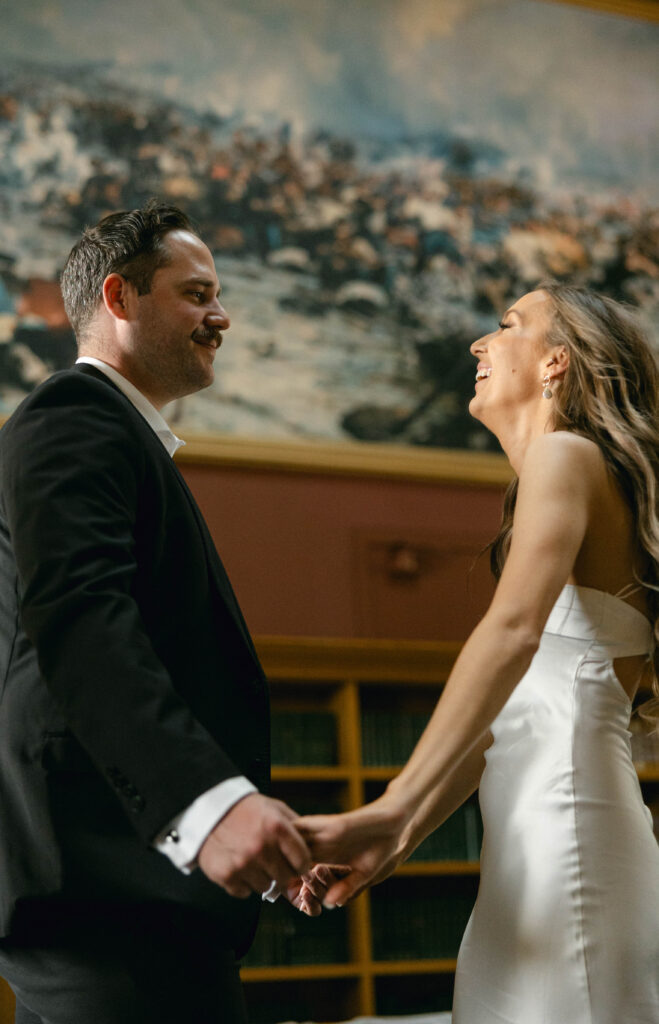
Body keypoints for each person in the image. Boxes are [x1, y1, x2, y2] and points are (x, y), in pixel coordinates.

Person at [0, 200, 313, 1024]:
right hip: (100, 882)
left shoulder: (107, 432)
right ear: (120, 299)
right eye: (196, 294)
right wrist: (208, 809)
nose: (221, 316)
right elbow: (84, 629)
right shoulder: (74, 418)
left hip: (112, 884)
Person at [297, 284, 659, 1022]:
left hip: (570, 842)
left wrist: (395, 797)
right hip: (527, 856)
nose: (478, 343)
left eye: (505, 326)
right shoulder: (567, 475)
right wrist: (397, 834)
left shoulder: (566, 456)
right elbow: (509, 716)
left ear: (555, 362)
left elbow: (509, 633)